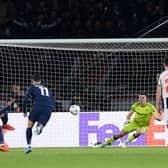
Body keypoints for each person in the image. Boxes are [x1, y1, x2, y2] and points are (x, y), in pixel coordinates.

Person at [93, 93, 161, 148]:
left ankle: (126, 142)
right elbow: (129, 115)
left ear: (146, 98)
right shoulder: (136, 105)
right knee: (120, 135)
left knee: (140, 132)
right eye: (140, 97)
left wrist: (157, 118)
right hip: (134, 123)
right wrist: (128, 120)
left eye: (143, 97)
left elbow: (155, 115)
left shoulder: (150, 106)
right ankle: (105, 143)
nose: (141, 99)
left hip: (144, 125)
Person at [22, 74, 55, 154]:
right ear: (40, 81)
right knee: (41, 126)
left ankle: (29, 146)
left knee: (29, 126)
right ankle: (39, 127)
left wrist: (24, 111)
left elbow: (25, 99)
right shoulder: (46, 88)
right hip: (48, 108)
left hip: (36, 107)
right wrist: (51, 109)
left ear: (32, 81)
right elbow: (52, 99)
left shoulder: (32, 87)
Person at [156, 57, 168, 136]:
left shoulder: (161, 75)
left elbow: (158, 92)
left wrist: (158, 106)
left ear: (164, 64)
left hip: (166, 99)